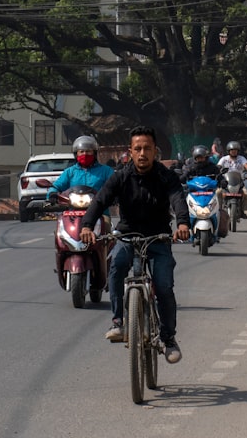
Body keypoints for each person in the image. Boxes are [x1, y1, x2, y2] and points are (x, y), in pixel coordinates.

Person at [81, 126, 190, 363]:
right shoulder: (120, 176)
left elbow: (178, 199)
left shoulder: (165, 176)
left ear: (155, 151)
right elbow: (100, 201)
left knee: (163, 286)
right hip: (127, 235)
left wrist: (182, 224)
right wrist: (87, 225)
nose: (142, 153)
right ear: (130, 152)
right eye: (137, 149)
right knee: (117, 265)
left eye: (147, 149)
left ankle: (168, 338)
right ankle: (118, 322)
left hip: (158, 237)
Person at [217, 141, 247, 218]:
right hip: (226, 181)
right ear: (228, 151)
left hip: (238, 181)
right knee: (218, 192)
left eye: (235, 150)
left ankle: (242, 211)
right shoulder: (224, 159)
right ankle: (219, 210)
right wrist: (217, 172)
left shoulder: (241, 158)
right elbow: (218, 167)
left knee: (246, 194)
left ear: (238, 151)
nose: (234, 152)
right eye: (232, 150)